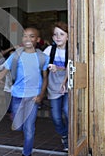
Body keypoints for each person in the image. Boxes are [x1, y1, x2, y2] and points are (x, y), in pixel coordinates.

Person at [0, 27, 49, 156]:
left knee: (29, 129)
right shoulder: (16, 55)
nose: (28, 39)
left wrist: (41, 95)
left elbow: (45, 77)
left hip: (33, 97)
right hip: (17, 95)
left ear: (38, 40)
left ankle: (26, 153)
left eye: (32, 36)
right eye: (25, 36)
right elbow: (3, 72)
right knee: (18, 125)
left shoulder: (43, 57)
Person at [43, 21, 69, 151]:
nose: (58, 37)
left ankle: (71, 137)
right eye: (55, 35)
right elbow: (41, 65)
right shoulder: (49, 50)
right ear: (52, 37)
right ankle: (64, 135)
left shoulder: (72, 51)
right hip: (53, 88)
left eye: (62, 34)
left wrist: (58, 68)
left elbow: (72, 69)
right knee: (56, 116)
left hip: (68, 86)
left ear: (68, 36)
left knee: (67, 111)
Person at [0, 47, 15, 115]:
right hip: (8, 86)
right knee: (9, 102)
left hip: (17, 87)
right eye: (11, 55)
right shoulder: (7, 64)